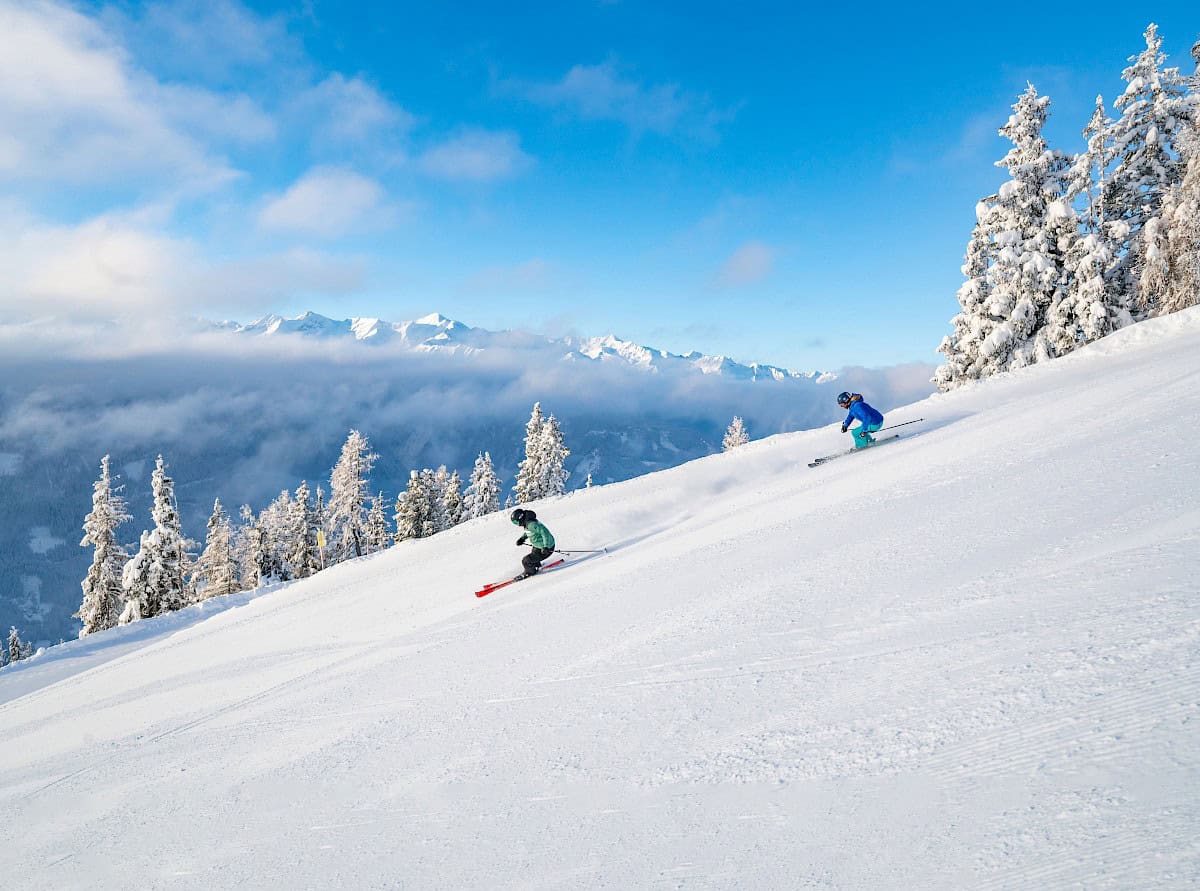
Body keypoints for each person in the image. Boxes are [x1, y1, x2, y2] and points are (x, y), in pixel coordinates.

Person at [511, 508, 555, 578]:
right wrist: (522, 538)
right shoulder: (527, 522)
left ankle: (530, 572)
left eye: (516, 522)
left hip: (546, 549)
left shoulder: (531, 524)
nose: (518, 524)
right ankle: (536, 566)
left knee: (526, 561)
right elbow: (529, 532)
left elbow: (544, 532)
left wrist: (546, 546)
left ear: (520, 518)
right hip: (539, 546)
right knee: (533, 554)